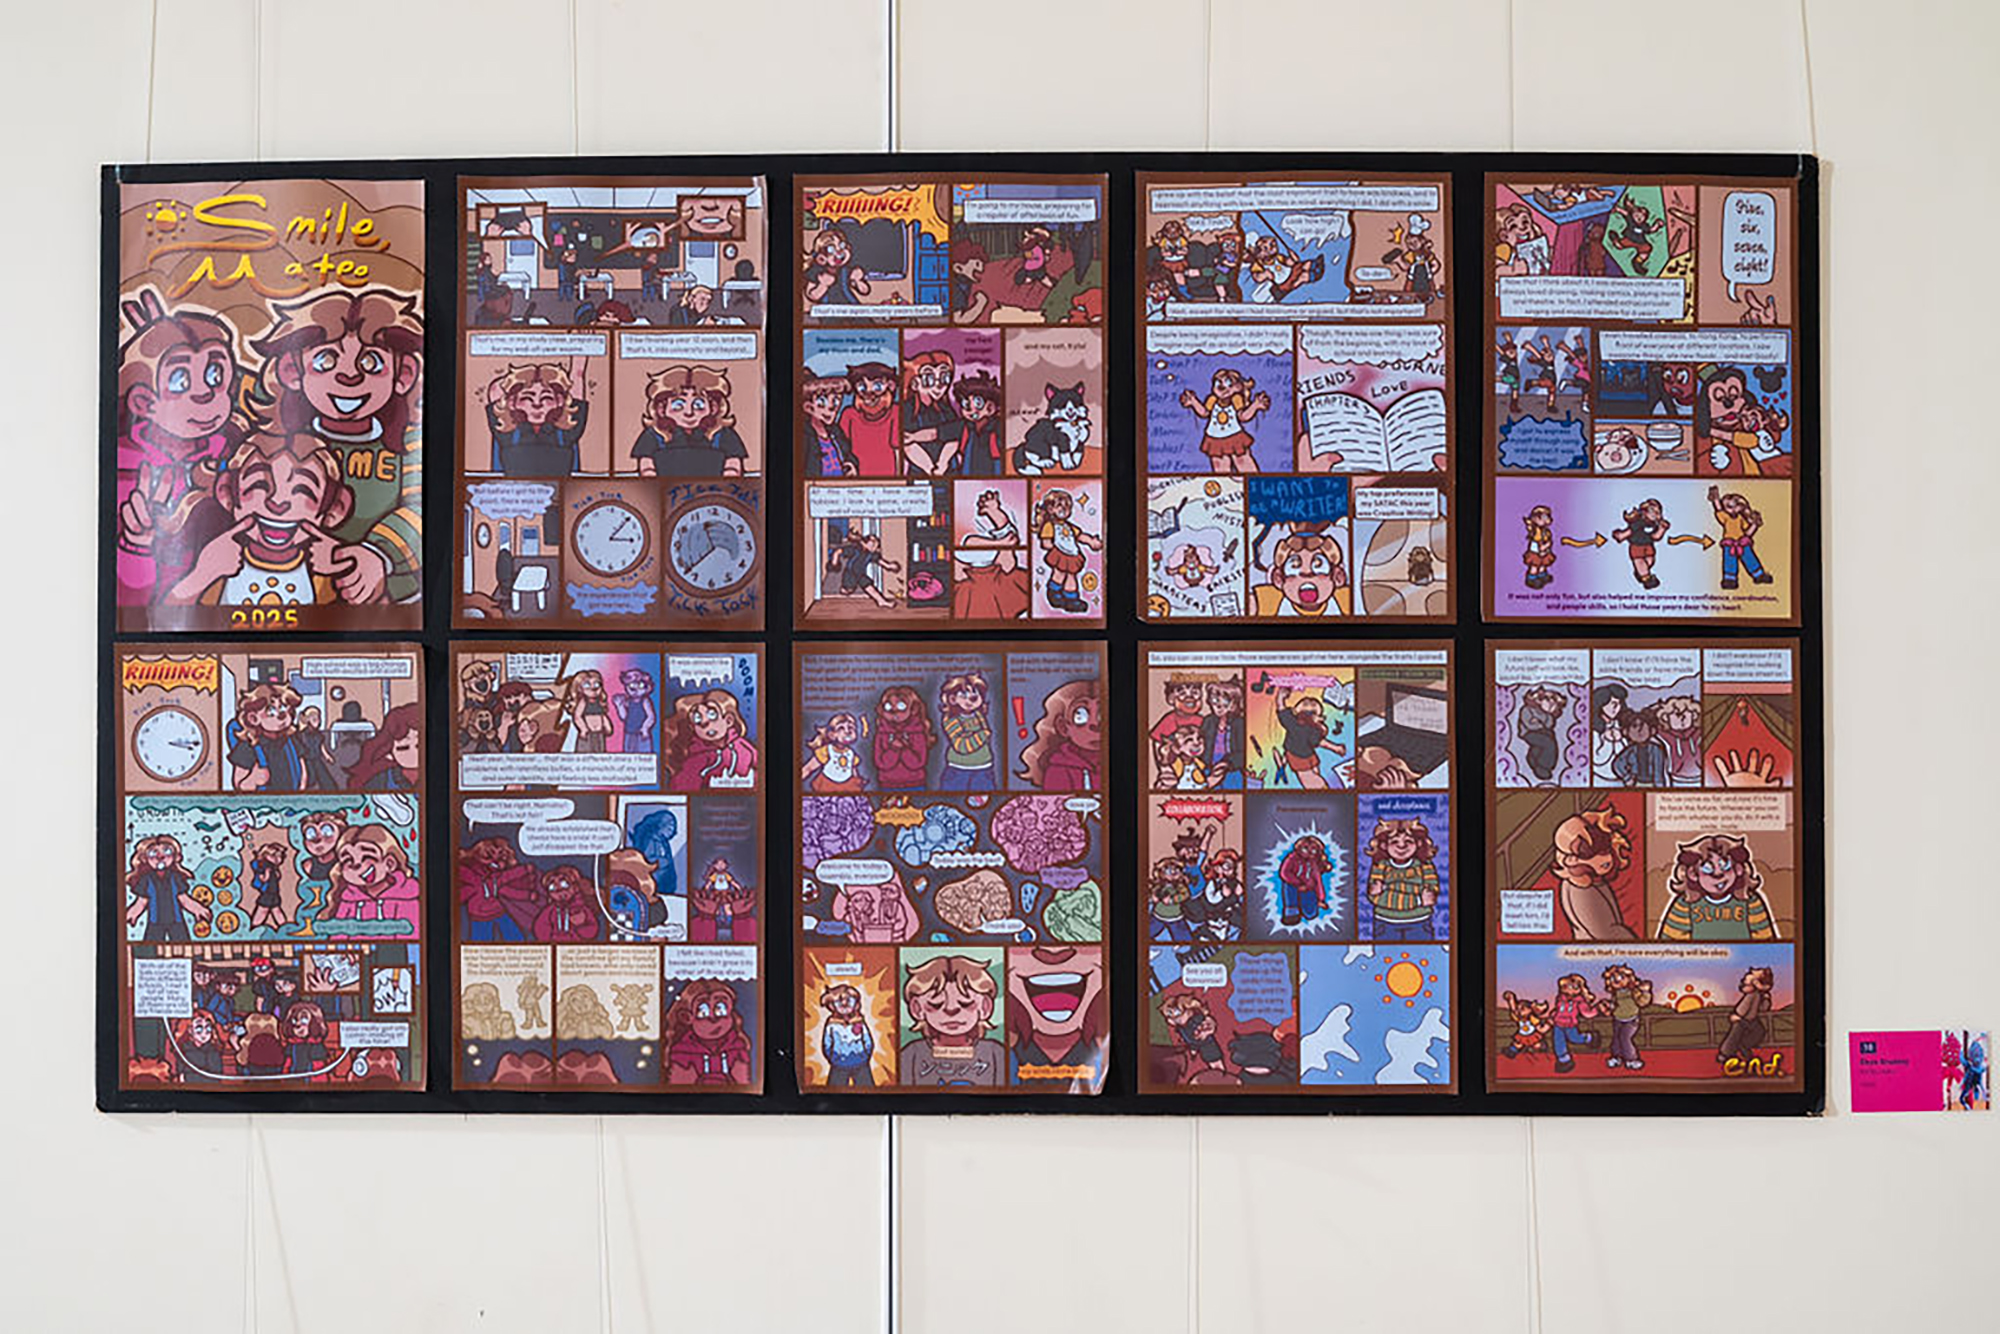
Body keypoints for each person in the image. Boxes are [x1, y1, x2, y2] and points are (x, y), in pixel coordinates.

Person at [900, 955, 1006, 1086]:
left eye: (965, 1004)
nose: (951, 1010)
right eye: (936, 1004)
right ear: (917, 1008)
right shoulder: (911, 1054)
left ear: (985, 1007)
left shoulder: (996, 1053)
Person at [630, 366, 748, 477]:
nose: (689, 412)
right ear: (661, 409)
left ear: (714, 407)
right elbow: (647, 469)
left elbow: (733, 468)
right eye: (678, 405)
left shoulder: (724, 435)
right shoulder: (653, 435)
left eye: (698, 405)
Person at [484, 360, 589, 476]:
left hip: (561, 486)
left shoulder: (565, 432)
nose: (537, 404)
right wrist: (523, 377)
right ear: (512, 402)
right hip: (515, 486)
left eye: (546, 398)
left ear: (559, 401)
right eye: (527, 398)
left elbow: (578, 373)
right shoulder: (508, 432)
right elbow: (494, 390)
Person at [1363, 818, 1441, 941]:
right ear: (1384, 845)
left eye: (1408, 841)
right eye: (1394, 841)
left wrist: (1389, 889)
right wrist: (1417, 899)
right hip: (1385, 922)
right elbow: (1375, 898)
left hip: (1419, 921)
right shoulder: (1380, 866)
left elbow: (1430, 897)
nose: (1401, 846)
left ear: (1418, 843)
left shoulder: (1425, 866)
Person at [664, 979, 752, 1085]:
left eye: (720, 1010)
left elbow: (743, 1081)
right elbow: (681, 1085)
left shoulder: (737, 1046)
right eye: (703, 1012)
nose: (713, 1019)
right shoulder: (684, 1051)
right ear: (687, 1017)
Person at [125, 835, 210, 941]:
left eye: (167, 851)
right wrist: (131, 914)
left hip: (176, 921)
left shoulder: (176, 877)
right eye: (153, 853)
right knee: (151, 946)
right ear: (144, 858)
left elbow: (184, 899)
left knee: (182, 945)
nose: (160, 856)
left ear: (175, 856)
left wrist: (197, 909)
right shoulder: (146, 880)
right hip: (155, 922)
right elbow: (141, 902)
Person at [937, 672, 996, 790]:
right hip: (959, 769)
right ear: (952, 699)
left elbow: (986, 734)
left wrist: (980, 735)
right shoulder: (951, 719)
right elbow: (961, 745)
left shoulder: (978, 715)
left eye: (974, 695)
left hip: (984, 768)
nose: (971, 700)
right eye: (964, 696)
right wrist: (982, 735)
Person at [346, 702, 421, 792]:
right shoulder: (383, 780)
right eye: (403, 748)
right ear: (389, 753)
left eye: (419, 746)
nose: (414, 753)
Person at [1717, 967, 1775, 1065]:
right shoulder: (1751, 995)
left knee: (1759, 1032)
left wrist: (1766, 999)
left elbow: (1763, 1008)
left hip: (1751, 1019)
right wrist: (1738, 1016)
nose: (1745, 984)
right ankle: (1725, 1054)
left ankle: (1743, 1046)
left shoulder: (1757, 994)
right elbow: (1742, 1009)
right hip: (1742, 1019)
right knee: (1734, 1035)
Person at [819, 984, 875, 1086]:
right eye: (839, 1002)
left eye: (849, 1001)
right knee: (834, 1089)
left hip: (861, 1062)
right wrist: (833, 1058)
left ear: (856, 1004)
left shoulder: (859, 1021)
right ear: (832, 1005)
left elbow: (867, 1040)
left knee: (866, 1088)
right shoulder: (832, 1024)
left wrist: (865, 1055)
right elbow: (827, 1043)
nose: (844, 1004)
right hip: (839, 1064)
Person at [1600, 964, 1652, 1070]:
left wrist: (1646, 992)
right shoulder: (1616, 993)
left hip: (1631, 1019)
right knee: (1616, 1039)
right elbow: (1615, 1005)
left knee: (1625, 1038)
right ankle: (1616, 1057)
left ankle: (1631, 1059)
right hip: (1618, 1018)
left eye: (1620, 977)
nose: (1616, 981)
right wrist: (1608, 1006)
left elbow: (1642, 1002)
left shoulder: (1634, 991)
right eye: (1613, 979)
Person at [1548, 973, 1600, 1073]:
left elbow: (1586, 1012)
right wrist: (1552, 1016)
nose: (1568, 990)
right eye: (1565, 987)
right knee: (1558, 1042)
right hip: (1558, 1024)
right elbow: (1558, 1010)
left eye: (1572, 987)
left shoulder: (1579, 1001)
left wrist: (1597, 1010)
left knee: (1575, 1038)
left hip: (1570, 1025)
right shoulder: (1560, 998)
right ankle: (1564, 1060)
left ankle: (1589, 1038)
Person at [615, 669, 657, 754]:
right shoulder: (628, 701)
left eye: (640, 685)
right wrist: (619, 706)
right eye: (631, 687)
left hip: (641, 733)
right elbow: (624, 717)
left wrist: (645, 728)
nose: (636, 690)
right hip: (629, 732)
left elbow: (651, 717)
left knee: (644, 754)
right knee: (629, 754)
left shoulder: (645, 701)